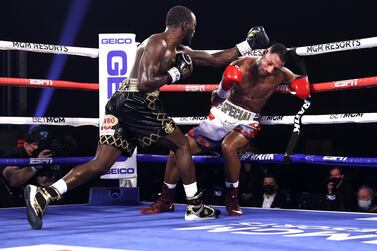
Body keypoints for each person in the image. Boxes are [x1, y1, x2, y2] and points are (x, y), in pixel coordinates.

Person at [24, 5, 270, 229]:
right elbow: (144, 83)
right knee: (182, 144)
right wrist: (175, 74)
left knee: (101, 164)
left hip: (121, 104)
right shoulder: (156, 43)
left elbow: (215, 59)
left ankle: (44, 195)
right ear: (185, 25)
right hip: (136, 101)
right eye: (193, 27)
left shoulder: (177, 49)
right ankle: (195, 206)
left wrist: (248, 44)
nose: (195, 31)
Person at [141, 43, 311, 216]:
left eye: (276, 67)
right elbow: (215, 98)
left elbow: (299, 79)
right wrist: (225, 87)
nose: (270, 70)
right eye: (269, 63)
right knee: (177, 149)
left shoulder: (281, 74)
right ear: (265, 52)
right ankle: (166, 199)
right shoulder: (240, 65)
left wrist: (301, 83)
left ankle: (232, 198)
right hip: (222, 114)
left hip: (248, 120)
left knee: (229, 147)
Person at [0, 127, 60, 207]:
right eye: (38, 144)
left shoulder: (52, 154)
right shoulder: (15, 154)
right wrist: (37, 165)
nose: (42, 147)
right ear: (27, 146)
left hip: (51, 206)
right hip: (17, 206)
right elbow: (13, 180)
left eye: (46, 144)